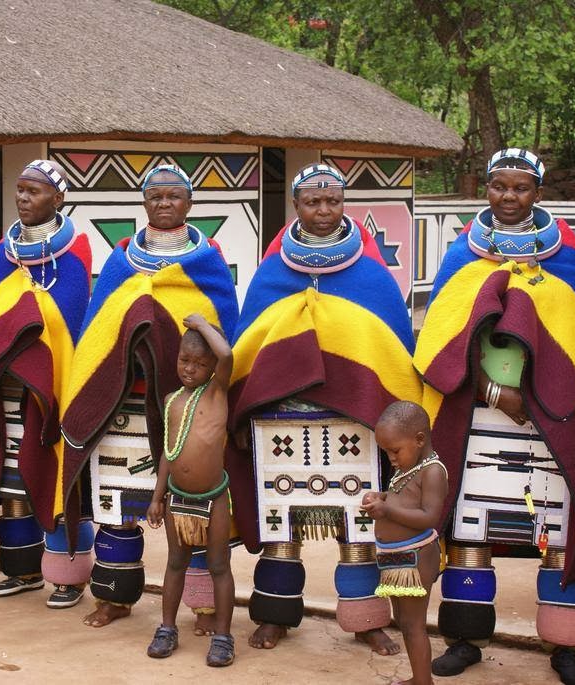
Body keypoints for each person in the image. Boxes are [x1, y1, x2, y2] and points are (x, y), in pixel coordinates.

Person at [415, 148, 575, 685]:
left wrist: (539, 395)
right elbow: (444, 344)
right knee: (470, 530)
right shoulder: (461, 256)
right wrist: (494, 391)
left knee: (558, 532)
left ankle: (564, 649)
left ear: (538, 192)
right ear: (485, 189)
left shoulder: (566, 257)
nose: (508, 197)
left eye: (519, 188)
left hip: (554, 421)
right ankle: (465, 639)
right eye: (498, 187)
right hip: (478, 418)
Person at [226, 163, 420, 653]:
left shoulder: (371, 276)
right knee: (280, 524)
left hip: (355, 423)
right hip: (281, 419)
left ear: (344, 203)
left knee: (357, 525)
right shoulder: (272, 273)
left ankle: (366, 620)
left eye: (333, 200)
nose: (323, 210)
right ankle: (275, 615)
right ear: (295, 205)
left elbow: (392, 349)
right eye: (312, 201)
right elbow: (249, 344)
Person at [58, 164, 239, 630]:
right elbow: (99, 328)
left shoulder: (209, 261)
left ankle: (202, 606)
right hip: (126, 404)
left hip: (188, 407)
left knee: (193, 507)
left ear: (189, 203)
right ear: (144, 203)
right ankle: (115, 597)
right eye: (155, 196)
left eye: (174, 196)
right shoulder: (121, 261)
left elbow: (223, 329)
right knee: (117, 506)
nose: (164, 203)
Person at [0, 159, 94, 609]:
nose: (23, 198)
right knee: (12, 482)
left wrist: (31, 328)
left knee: (56, 479)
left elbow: (69, 320)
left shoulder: (76, 252)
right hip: (5, 388)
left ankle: (68, 578)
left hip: (53, 388)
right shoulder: (3, 251)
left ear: (59, 198)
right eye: (20, 190)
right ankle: (22, 571)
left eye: (34, 192)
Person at [146, 315, 236, 667]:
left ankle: (224, 637)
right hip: (177, 498)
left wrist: (201, 323)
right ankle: (167, 629)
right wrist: (157, 497)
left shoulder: (216, 393)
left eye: (200, 363)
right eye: (185, 360)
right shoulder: (171, 401)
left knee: (218, 565)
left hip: (213, 498)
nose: (190, 369)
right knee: (175, 563)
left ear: (213, 368)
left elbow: (227, 355)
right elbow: (169, 452)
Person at [361, 401, 447, 685]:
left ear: (419, 439)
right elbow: (402, 498)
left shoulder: (433, 471)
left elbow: (429, 516)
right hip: (397, 556)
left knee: (413, 625)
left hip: (417, 556)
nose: (391, 458)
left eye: (394, 450)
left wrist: (387, 510)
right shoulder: (409, 467)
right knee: (404, 621)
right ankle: (418, 678)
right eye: (386, 452)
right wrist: (381, 497)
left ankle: (424, 682)